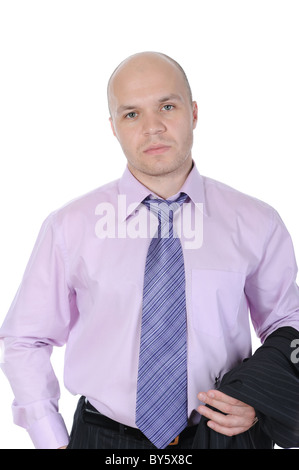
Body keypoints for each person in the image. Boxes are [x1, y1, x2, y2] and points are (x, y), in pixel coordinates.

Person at [0, 51, 298, 450]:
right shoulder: (69, 227)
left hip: (223, 436)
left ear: (193, 112)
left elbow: (288, 326)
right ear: (114, 128)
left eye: (167, 106)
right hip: (103, 437)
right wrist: (51, 439)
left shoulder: (257, 222)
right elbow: (25, 339)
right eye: (131, 114)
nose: (152, 128)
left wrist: (260, 404)